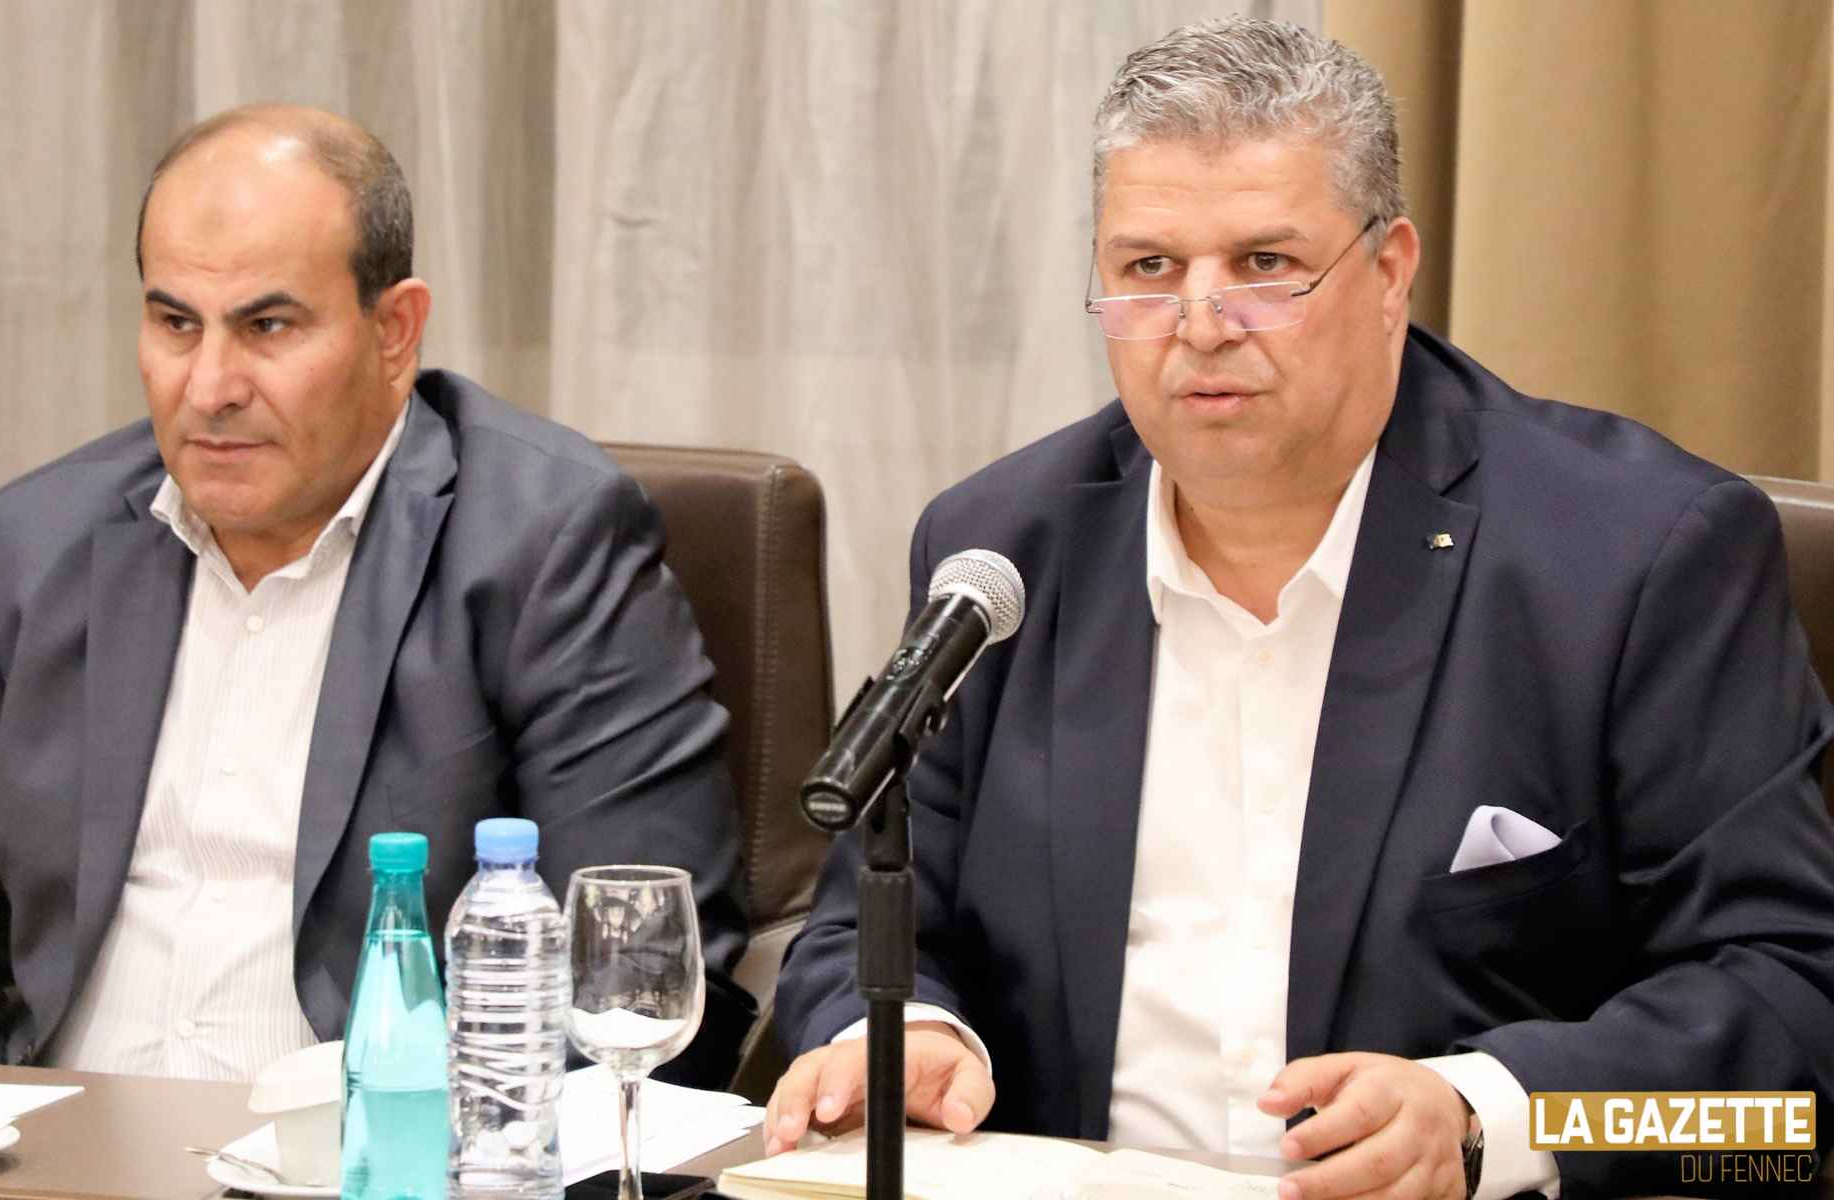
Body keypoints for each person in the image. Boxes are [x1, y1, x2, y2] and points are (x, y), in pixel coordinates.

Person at [768, 18, 1834, 1200]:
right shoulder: (1002, 548)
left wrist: (1487, 1120)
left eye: (1264, 264)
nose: (1200, 324)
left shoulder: (1634, 557)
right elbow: (862, 923)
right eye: (1147, 268)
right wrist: (905, 1034)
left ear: (1388, 273)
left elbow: (1793, 1030)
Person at [0, 105, 754, 1089]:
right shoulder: (37, 543)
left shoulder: (546, 545)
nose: (210, 386)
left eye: (266, 326)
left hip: (378, 1151)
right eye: (175, 323)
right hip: (61, 1147)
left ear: (394, 331)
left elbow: (631, 980)